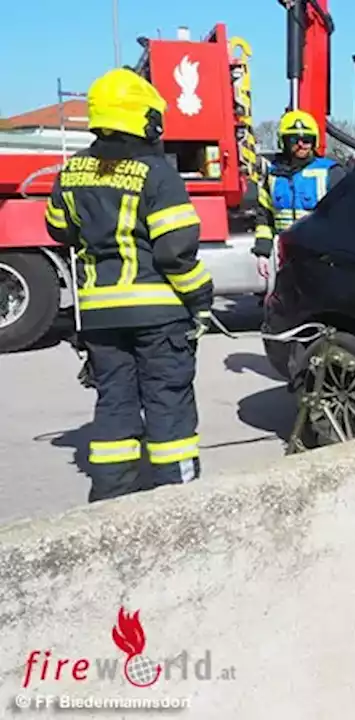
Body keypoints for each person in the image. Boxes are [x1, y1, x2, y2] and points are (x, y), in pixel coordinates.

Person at [43, 67, 213, 502]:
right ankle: (179, 497)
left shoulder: (72, 171)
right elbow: (175, 251)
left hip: (99, 316)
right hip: (158, 314)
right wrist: (200, 299)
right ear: (144, 119)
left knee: (114, 401)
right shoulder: (156, 173)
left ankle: (111, 499)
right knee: (168, 401)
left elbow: (59, 229)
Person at [249, 109, 346, 278]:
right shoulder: (272, 176)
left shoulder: (330, 172)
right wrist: (262, 253)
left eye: (306, 140)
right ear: (283, 142)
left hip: (321, 260)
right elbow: (264, 217)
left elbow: (345, 218)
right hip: (286, 260)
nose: (301, 144)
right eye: (294, 139)